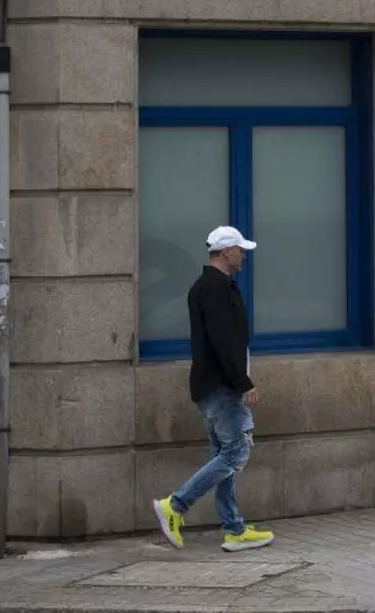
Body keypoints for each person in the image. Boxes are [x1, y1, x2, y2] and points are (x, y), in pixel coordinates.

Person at [152, 227, 274, 553]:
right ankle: (175, 505)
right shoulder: (217, 288)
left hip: (210, 386)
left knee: (223, 457)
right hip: (222, 387)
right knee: (235, 453)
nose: (243, 256)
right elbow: (223, 341)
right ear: (225, 252)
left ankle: (234, 529)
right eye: (240, 250)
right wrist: (243, 382)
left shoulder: (205, 286)